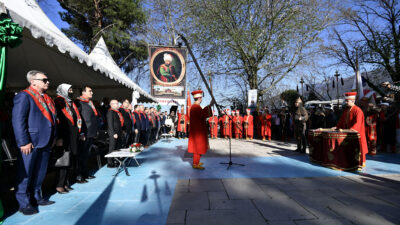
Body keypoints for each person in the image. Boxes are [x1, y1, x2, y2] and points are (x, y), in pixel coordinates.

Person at [12, 70, 56, 215]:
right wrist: (24, 141)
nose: (47, 82)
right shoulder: (24, 96)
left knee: (39, 172)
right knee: (25, 174)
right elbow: (18, 121)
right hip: (30, 142)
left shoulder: (45, 98)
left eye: (47, 79)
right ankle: (24, 203)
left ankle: (36, 197)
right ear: (33, 82)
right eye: (44, 79)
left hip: (45, 141)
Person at [54, 84, 81, 194]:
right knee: (63, 160)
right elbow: (58, 120)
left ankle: (65, 182)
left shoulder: (70, 103)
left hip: (72, 135)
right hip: (64, 135)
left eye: (71, 89)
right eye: (68, 90)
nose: (71, 91)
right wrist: (59, 137)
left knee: (69, 160)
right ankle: (59, 185)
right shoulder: (58, 101)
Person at [333, 92, 368, 165]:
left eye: (347, 101)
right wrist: (337, 127)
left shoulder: (358, 110)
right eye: (345, 101)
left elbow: (357, 125)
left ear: (352, 101)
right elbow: (341, 121)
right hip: (348, 134)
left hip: (356, 135)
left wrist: (349, 130)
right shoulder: (346, 110)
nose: (345, 102)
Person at [75, 85, 98, 182]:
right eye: (90, 91)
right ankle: (78, 175)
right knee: (80, 155)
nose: (92, 93)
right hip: (84, 133)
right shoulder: (78, 102)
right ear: (83, 92)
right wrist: (81, 133)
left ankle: (85, 173)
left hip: (91, 132)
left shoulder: (90, 103)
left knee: (86, 155)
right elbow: (78, 118)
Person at [188, 90, 214, 169]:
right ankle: (195, 164)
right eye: (201, 97)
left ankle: (197, 162)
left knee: (198, 147)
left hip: (198, 130)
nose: (202, 99)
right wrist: (210, 105)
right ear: (199, 98)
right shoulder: (196, 107)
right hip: (197, 131)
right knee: (197, 147)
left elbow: (202, 114)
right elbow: (203, 115)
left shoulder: (195, 106)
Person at [107, 100, 124, 167]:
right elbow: (110, 123)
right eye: (116, 103)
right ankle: (110, 162)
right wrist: (113, 133)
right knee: (112, 147)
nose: (118, 105)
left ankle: (116, 160)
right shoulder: (110, 112)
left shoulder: (117, 112)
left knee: (118, 147)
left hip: (119, 132)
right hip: (113, 133)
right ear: (112, 104)